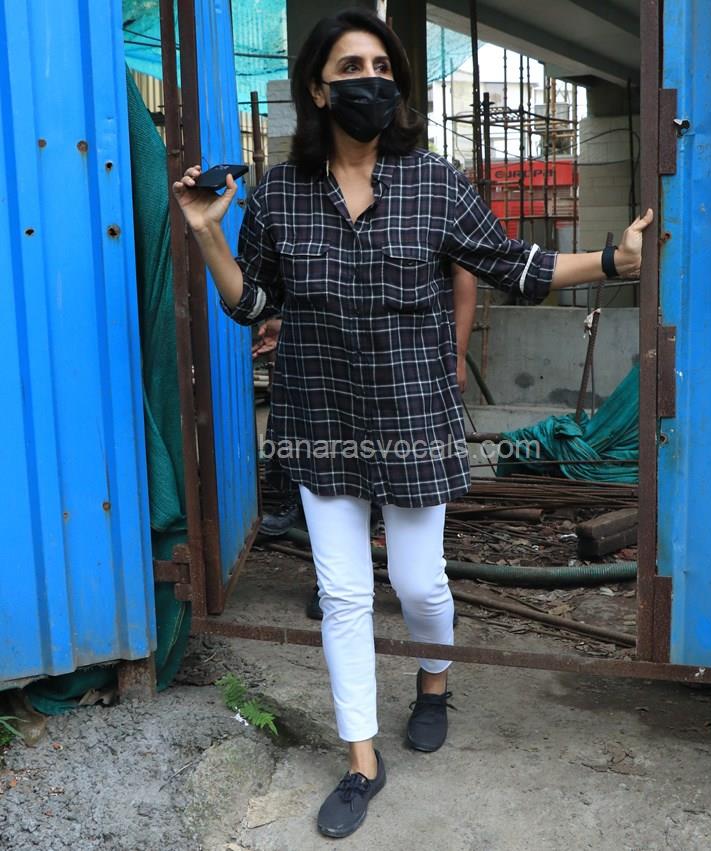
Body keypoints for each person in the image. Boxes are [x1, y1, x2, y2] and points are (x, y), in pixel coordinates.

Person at [172, 8, 652, 838]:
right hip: (321, 415)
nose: (371, 81)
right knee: (344, 592)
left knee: (421, 584)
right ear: (318, 89)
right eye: (351, 68)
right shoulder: (280, 193)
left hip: (413, 413)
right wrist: (208, 235)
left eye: (381, 68)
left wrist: (614, 260)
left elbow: (514, 264)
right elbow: (251, 304)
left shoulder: (435, 181)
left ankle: (435, 677)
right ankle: (362, 760)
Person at [253, 262, 477, 621]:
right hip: (337, 370)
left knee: (410, 477)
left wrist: (458, 353)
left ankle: (426, 592)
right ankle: (340, 585)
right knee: (342, 472)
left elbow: (464, 273)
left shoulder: (428, 224)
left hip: (408, 370)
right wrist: (291, 325)